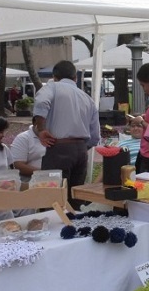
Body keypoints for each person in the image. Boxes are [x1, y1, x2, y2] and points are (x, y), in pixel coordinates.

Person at [32, 60, 100, 208]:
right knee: (75, 200)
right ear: (75, 77)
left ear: (54, 76)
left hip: (59, 149)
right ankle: (74, 228)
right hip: (81, 150)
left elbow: (41, 102)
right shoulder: (87, 98)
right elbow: (95, 136)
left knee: (53, 200)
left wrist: (42, 129)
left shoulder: (53, 87)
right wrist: (79, 147)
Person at [10, 121, 46, 188]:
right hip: (30, 179)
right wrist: (44, 173)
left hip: (53, 178)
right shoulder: (23, 138)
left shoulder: (53, 135)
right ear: (36, 124)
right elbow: (18, 165)